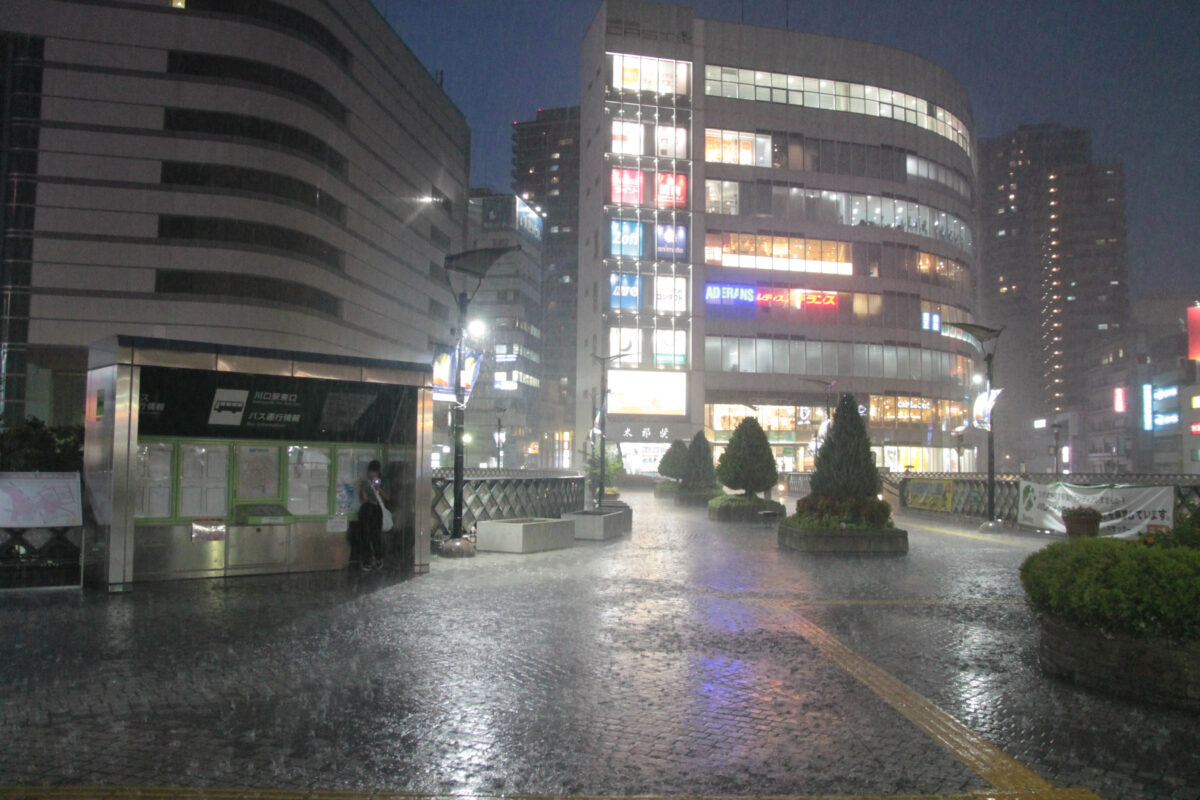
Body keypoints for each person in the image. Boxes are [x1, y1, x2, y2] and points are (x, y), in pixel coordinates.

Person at [356, 460, 388, 570]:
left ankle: (378, 558)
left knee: (376, 535)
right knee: (365, 535)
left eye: (374, 472)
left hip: (377, 509)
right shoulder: (366, 483)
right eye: (371, 472)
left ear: (379, 472)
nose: (372, 474)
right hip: (367, 509)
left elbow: (388, 498)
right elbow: (364, 500)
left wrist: (379, 489)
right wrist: (363, 488)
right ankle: (367, 559)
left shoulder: (382, 482)